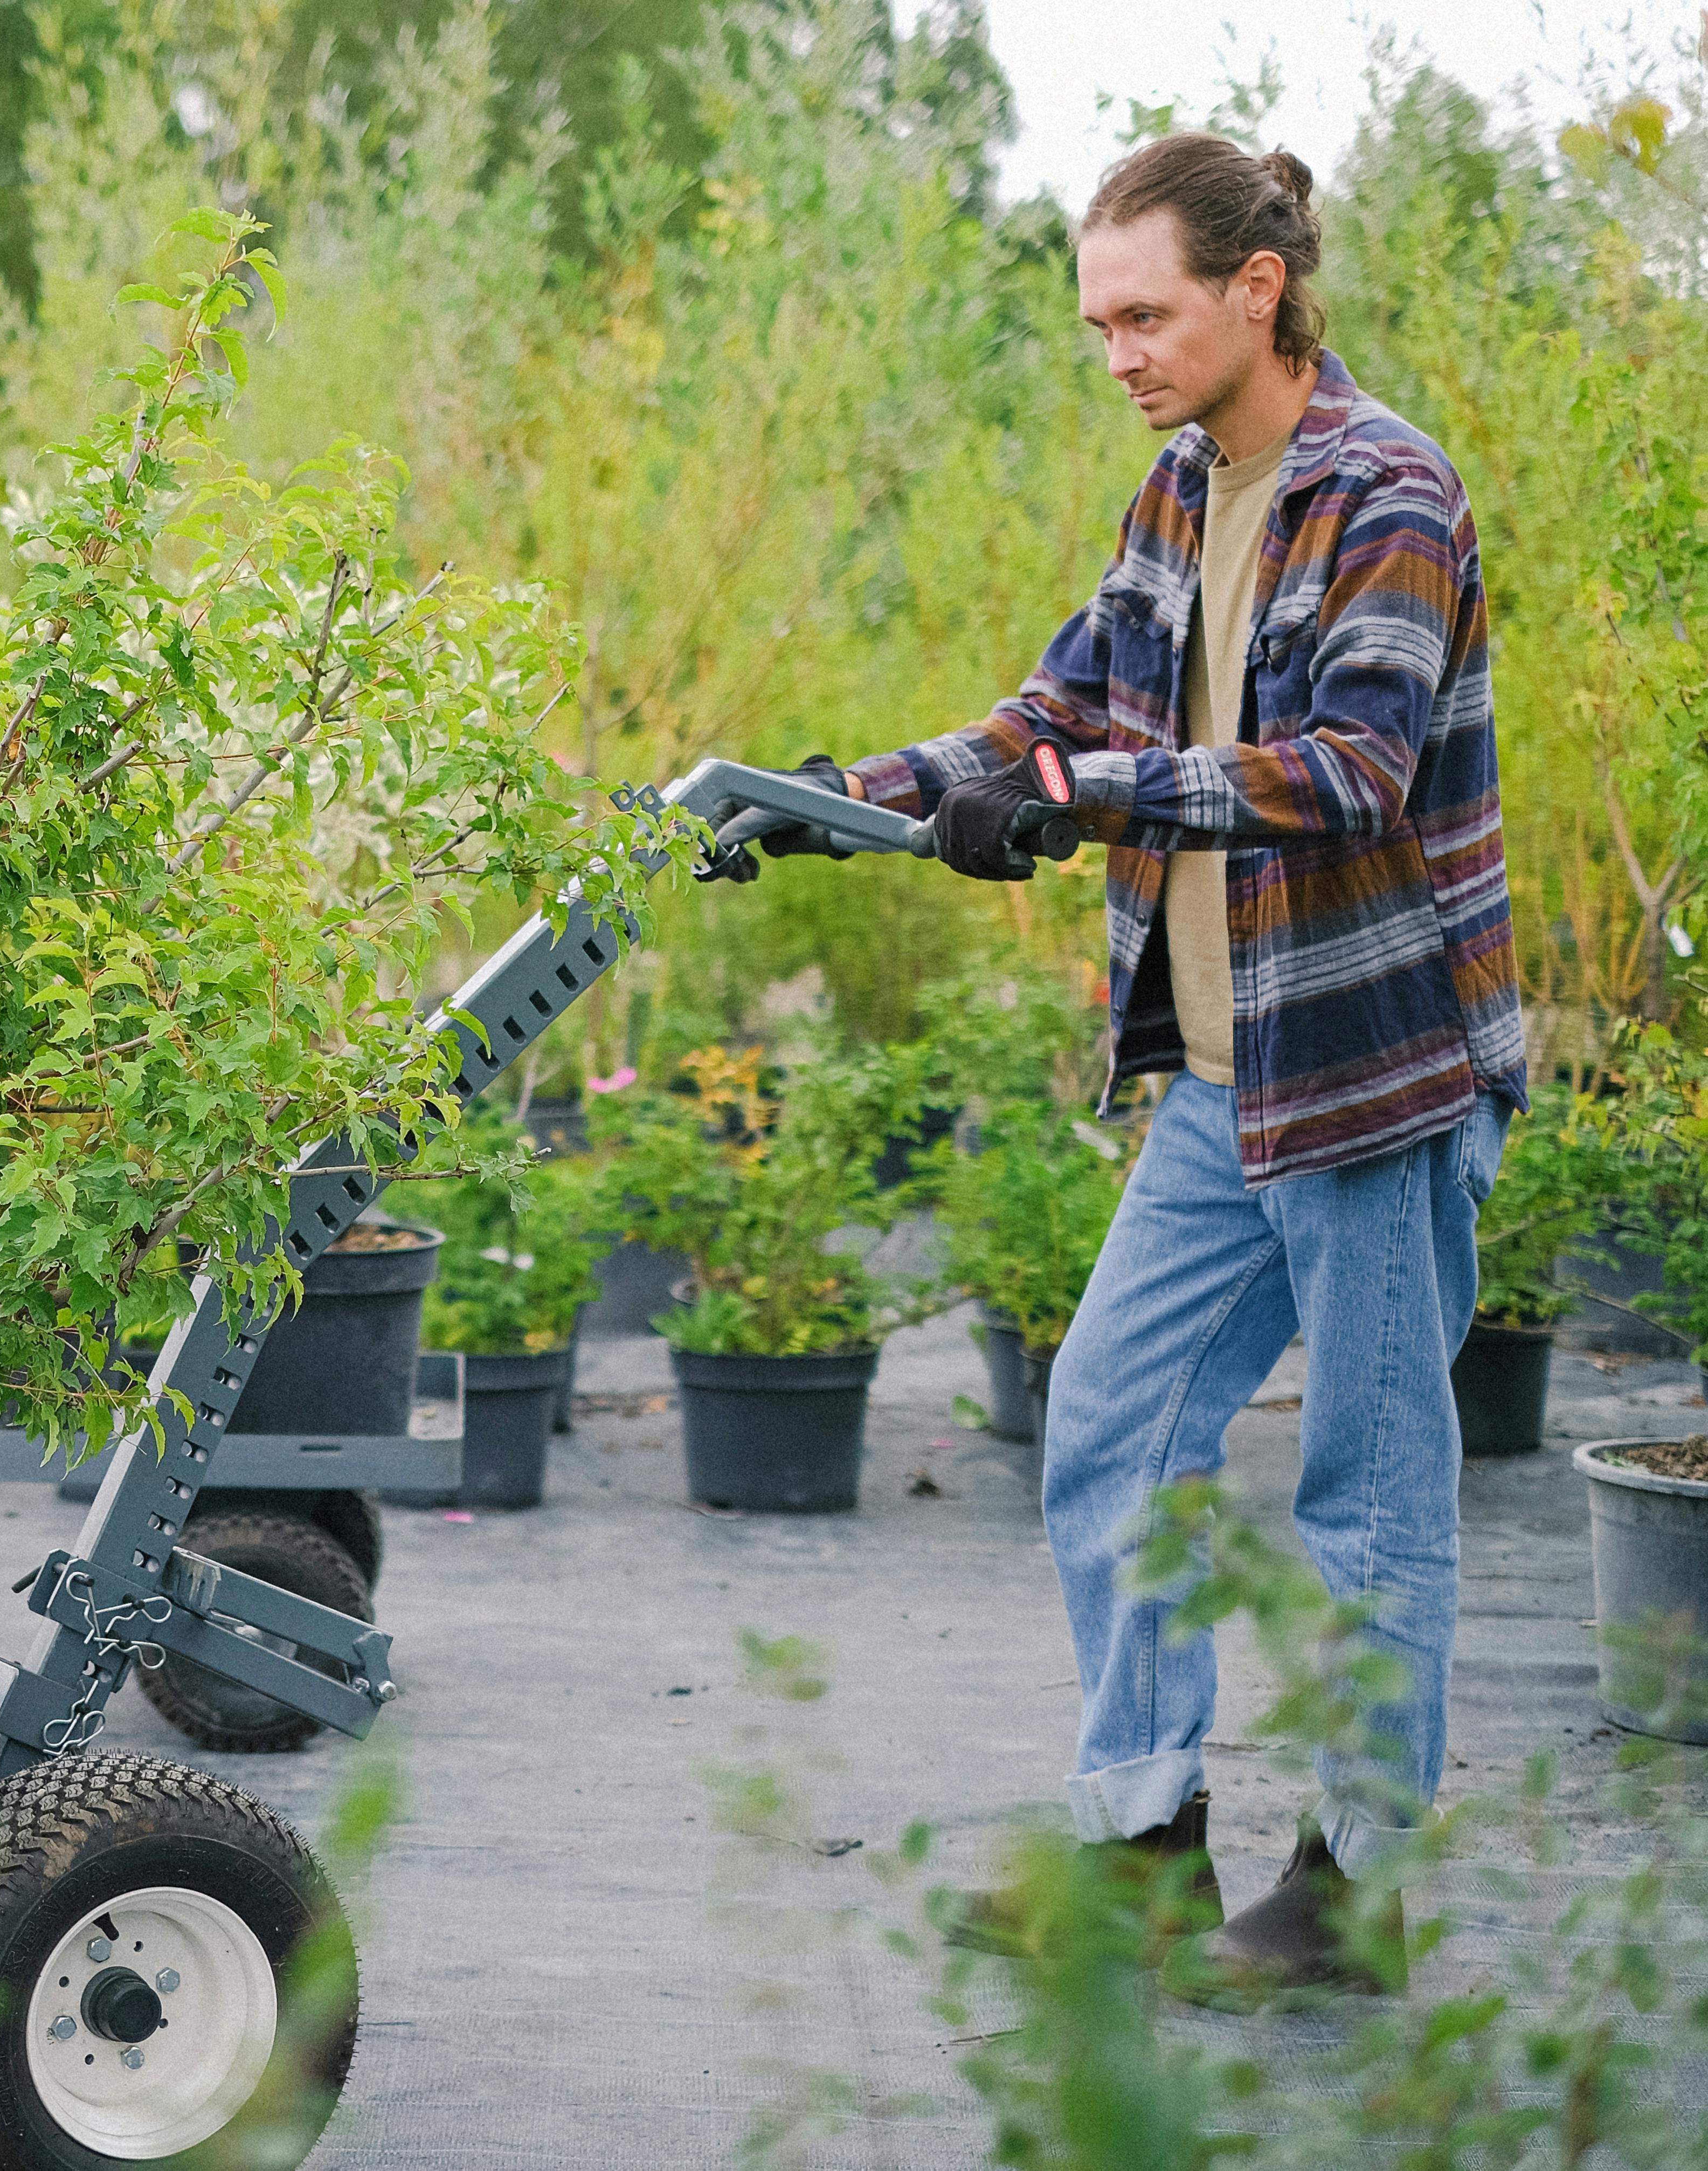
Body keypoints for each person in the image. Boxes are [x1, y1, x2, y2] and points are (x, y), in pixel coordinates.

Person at [756, 135, 1521, 2004]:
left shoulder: (1383, 493)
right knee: (1107, 1417)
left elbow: (1347, 770)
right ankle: (1147, 1851)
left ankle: (1353, 1893)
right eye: (1097, 319)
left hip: (1375, 1065)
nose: (1118, 351)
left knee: (1367, 1484)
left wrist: (1076, 800)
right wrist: (824, 800)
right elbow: (1053, 712)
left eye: (1146, 313)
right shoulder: (1179, 493)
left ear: (1254, 288)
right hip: (1224, 1077)